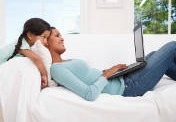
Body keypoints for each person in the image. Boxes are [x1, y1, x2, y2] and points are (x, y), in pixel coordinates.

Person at [46, 27, 176, 101]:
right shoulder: (57, 69)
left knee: (154, 54)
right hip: (129, 87)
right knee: (172, 47)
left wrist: (110, 70)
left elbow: (91, 77)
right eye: (57, 36)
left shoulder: (65, 62)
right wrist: (107, 74)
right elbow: (89, 94)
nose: (62, 38)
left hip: (123, 78)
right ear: (46, 42)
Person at [0, 18, 50, 122]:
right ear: (30, 35)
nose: (46, 42)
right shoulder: (23, 46)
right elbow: (37, 59)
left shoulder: (28, 47)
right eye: (44, 37)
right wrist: (45, 76)